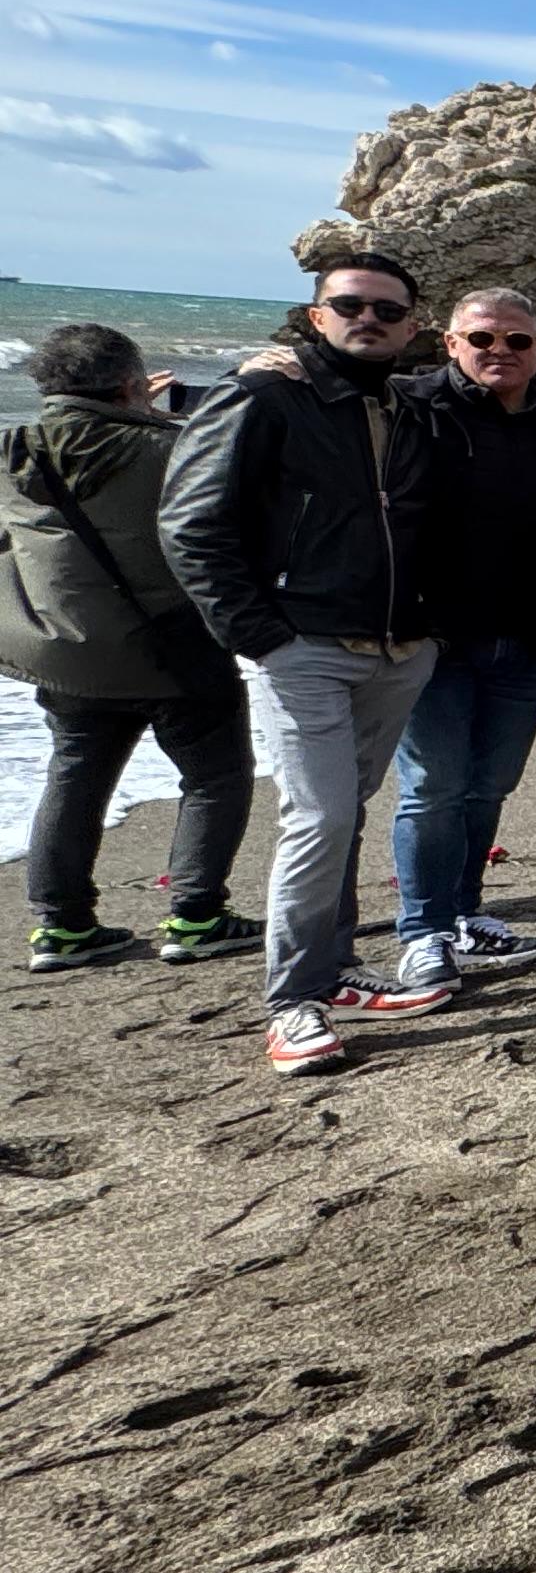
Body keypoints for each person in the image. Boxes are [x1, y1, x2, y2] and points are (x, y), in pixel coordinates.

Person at [159, 253, 458, 1070]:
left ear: (412, 326)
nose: (369, 319)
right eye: (350, 305)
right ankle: (293, 1002)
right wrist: (259, 634)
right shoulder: (263, 395)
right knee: (320, 817)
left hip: (400, 646)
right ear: (316, 315)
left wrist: (433, 624)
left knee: (345, 811)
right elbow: (191, 525)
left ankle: (335, 972)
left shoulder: (408, 406)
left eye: (388, 311)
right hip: (304, 648)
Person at [6, 324, 253, 974]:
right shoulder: (162, 447)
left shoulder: (12, 450)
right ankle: (197, 916)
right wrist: (173, 414)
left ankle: (61, 928)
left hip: (69, 651)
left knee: (76, 776)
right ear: (130, 383)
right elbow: (233, 492)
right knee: (214, 777)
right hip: (173, 644)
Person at [381, 286, 536, 987]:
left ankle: (464, 915)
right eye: (481, 340)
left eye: (517, 341)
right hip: (430, 639)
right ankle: (423, 930)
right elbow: (295, 427)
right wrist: (264, 371)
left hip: (528, 641)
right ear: (449, 343)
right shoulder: (403, 405)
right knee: (433, 785)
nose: (498, 352)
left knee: (490, 785)